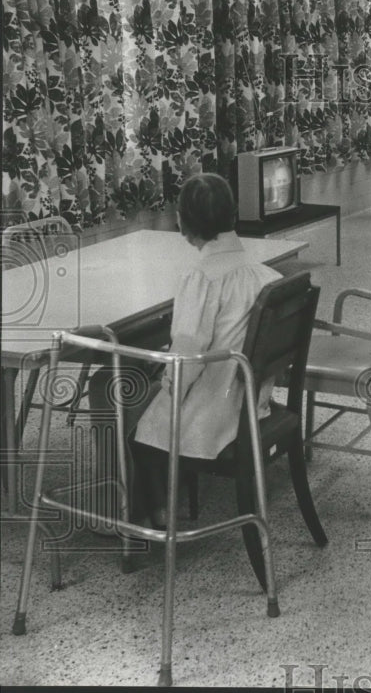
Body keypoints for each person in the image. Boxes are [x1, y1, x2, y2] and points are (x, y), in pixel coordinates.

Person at [90, 173, 283, 527]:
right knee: (147, 387)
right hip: (252, 403)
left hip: (214, 414)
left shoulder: (201, 277)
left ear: (183, 224)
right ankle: (163, 504)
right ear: (233, 214)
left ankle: (148, 519)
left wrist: (163, 385)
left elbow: (186, 359)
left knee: (122, 398)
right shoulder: (266, 276)